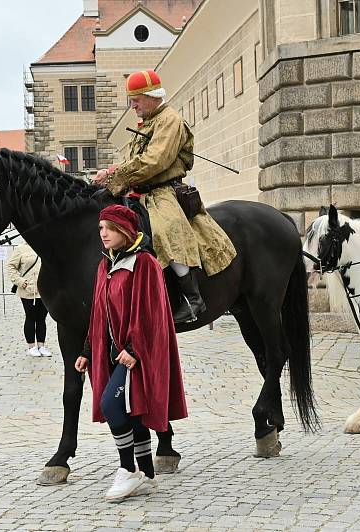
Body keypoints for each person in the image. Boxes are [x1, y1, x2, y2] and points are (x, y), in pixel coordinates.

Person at [93, 69, 236, 324]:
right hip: (139, 193)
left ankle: (192, 300)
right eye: (131, 100)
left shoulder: (169, 120)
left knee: (165, 232)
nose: (132, 105)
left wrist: (115, 172)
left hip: (163, 193)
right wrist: (111, 175)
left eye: (136, 99)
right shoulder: (148, 122)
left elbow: (155, 161)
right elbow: (134, 161)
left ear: (151, 96)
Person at [76, 205, 187, 501]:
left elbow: (151, 312)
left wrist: (134, 348)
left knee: (111, 406)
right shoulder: (105, 265)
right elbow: (99, 312)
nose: (103, 234)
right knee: (131, 412)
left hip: (136, 353)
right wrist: (88, 349)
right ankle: (148, 475)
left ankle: (128, 470)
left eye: (109, 228)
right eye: (100, 228)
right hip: (112, 352)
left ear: (125, 230)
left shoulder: (145, 263)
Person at [6, 242, 52, 357]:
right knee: (31, 317)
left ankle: (41, 345)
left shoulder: (44, 246)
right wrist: (20, 281)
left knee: (42, 318)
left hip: (44, 290)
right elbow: (11, 267)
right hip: (28, 290)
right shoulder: (20, 249)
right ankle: (31, 346)